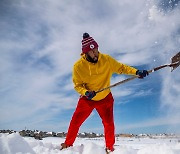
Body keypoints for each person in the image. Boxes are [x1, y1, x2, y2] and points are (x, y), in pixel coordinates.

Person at [60, 33, 148, 153]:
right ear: (85, 53)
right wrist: (86, 92)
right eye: (93, 52)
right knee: (75, 122)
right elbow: (78, 86)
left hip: (105, 98)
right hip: (88, 99)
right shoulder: (78, 67)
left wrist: (136, 71)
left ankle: (110, 148)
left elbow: (121, 68)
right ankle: (67, 145)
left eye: (96, 50)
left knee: (109, 124)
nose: (96, 54)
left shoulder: (106, 59)